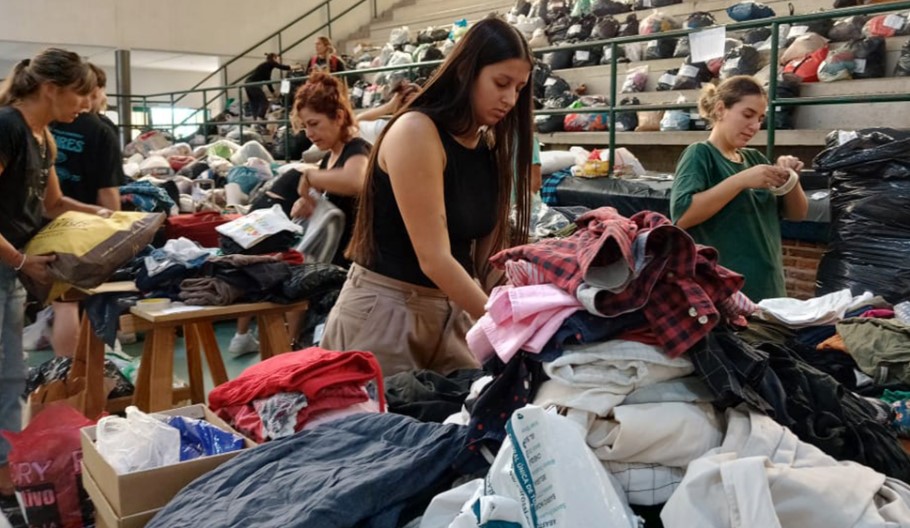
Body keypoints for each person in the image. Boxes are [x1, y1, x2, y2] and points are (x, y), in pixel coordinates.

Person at [320, 16, 534, 376]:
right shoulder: (416, 132)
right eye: (501, 83)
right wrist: (504, 326)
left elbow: (488, 261)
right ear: (467, 71)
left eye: (519, 88)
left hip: (452, 314)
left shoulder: (489, 145)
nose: (510, 99)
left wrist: (533, 305)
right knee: (376, 429)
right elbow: (433, 258)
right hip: (383, 316)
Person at [0, 47, 110, 500]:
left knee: (9, 370)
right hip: (7, 263)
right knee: (6, 371)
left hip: (10, 268)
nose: (85, 105)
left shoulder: (43, 136)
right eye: (79, 94)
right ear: (50, 88)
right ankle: (5, 473)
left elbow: (53, 204)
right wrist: (21, 262)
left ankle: (6, 463)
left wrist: (106, 217)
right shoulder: (7, 127)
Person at [232, 72, 370, 355]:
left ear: (339, 117)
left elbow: (356, 182)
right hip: (329, 270)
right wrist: (306, 204)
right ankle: (290, 349)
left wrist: (309, 178)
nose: (309, 133)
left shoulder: (356, 150)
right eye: (305, 126)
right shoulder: (329, 157)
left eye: (314, 124)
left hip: (351, 273)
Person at [670, 75, 808, 301]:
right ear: (721, 109)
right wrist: (741, 180)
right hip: (725, 293)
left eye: (760, 118)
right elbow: (682, 215)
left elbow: (797, 214)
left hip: (768, 288)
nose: (754, 126)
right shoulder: (700, 154)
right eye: (747, 115)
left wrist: (791, 179)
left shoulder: (754, 158)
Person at [49, 63, 124, 358]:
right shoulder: (101, 130)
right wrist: (115, 233)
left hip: (40, 222)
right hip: (84, 225)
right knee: (80, 301)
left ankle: (68, 375)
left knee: (62, 303)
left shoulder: (43, 123)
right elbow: (108, 191)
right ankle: (74, 374)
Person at [245, 53, 292, 120]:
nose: (279, 61)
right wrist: (294, 67)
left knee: (255, 103)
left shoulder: (266, 66)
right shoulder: (270, 63)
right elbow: (282, 67)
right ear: (274, 58)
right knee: (264, 102)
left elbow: (268, 80)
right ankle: (260, 118)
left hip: (248, 83)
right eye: (278, 58)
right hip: (253, 84)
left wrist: (273, 92)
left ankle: (256, 120)